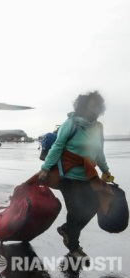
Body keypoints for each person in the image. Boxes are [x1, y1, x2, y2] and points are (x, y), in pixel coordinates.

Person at [37, 91, 114, 261]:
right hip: (69, 176)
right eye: (91, 105)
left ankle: (67, 229)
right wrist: (45, 168)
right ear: (84, 105)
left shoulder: (98, 127)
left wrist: (106, 170)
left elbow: (98, 151)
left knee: (94, 205)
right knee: (75, 211)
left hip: (88, 176)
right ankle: (74, 248)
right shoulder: (71, 123)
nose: (94, 108)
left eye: (97, 106)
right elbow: (58, 146)